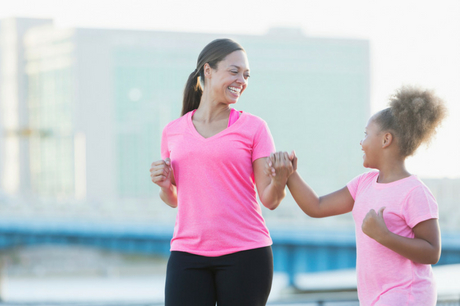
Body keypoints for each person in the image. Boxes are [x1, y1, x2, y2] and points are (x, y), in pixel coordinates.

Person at [266, 86, 447, 305]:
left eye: (366, 134)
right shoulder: (363, 184)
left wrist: (385, 236)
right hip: (375, 298)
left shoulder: (415, 192)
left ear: (386, 140)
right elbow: (317, 206)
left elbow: (431, 251)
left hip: (406, 295)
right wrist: (290, 174)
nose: (361, 142)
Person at [150, 38, 293, 306]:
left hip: (247, 253)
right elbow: (174, 200)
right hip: (187, 252)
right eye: (234, 71)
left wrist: (280, 180)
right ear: (208, 70)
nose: (242, 80)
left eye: (246, 75)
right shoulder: (173, 131)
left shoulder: (255, 128)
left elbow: (270, 200)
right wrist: (164, 185)